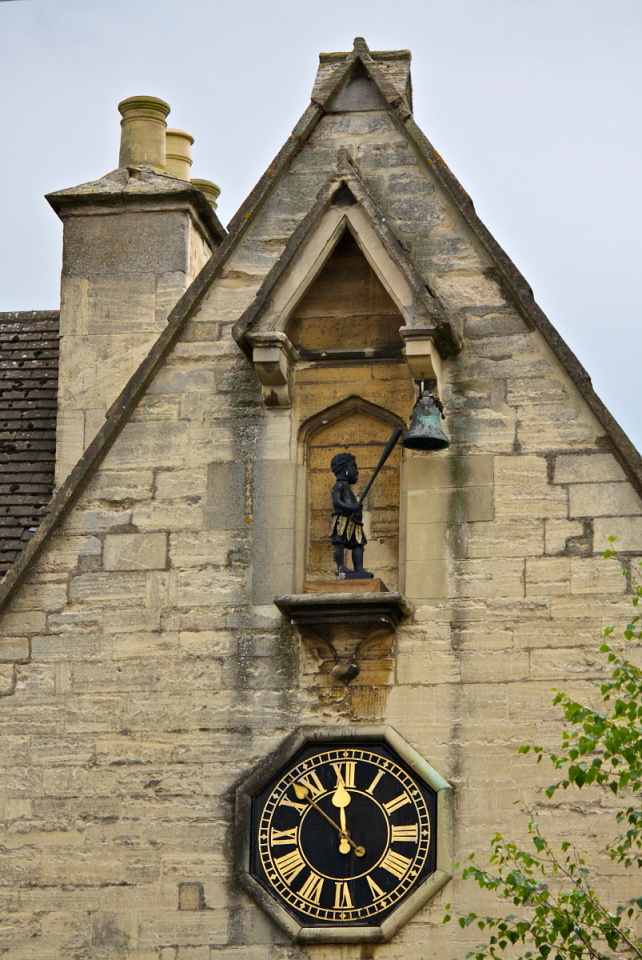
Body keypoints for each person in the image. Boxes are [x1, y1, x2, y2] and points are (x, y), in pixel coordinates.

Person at [329, 452, 373, 579]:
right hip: (343, 519)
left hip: (354, 521)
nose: (357, 472)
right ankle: (341, 567)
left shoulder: (347, 487)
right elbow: (337, 502)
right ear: (345, 470)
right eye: (354, 467)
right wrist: (352, 507)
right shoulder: (339, 486)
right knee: (339, 542)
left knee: (358, 545)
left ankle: (359, 569)